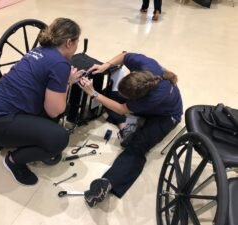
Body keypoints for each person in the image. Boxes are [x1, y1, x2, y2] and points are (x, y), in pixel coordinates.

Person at [0, 18, 83, 186]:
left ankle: (1, 139)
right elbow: (54, 110)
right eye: (77, 42)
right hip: (0, 123)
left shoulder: (38, 51)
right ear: (69, 42)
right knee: (59, 139)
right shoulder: (60, 63)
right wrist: (67, 82)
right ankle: (13, 161)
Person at [78, 52, 183, 207]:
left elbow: (121, 109)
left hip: (167, 116)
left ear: (137, 98)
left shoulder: (151, 97)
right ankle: (124, 126)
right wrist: (105, 65)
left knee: (137, 146)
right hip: (148, 105)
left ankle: (108, 182)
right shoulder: (147, 66)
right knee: (108, 97)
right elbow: (125, 55)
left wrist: (93, 93)